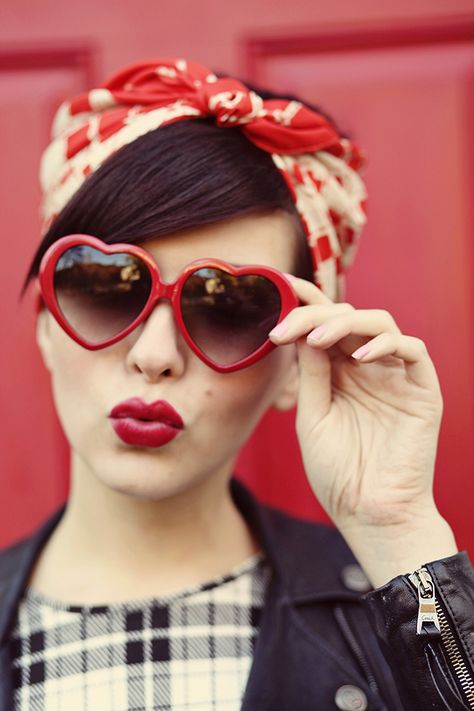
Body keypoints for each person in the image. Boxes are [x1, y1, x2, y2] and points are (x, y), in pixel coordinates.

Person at [0, 57, 472, 711]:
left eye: (227, 308)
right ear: (47, 325)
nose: (156, 355)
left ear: (296, 367)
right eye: (106, 287)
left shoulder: (385, 608)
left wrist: (400, 536)